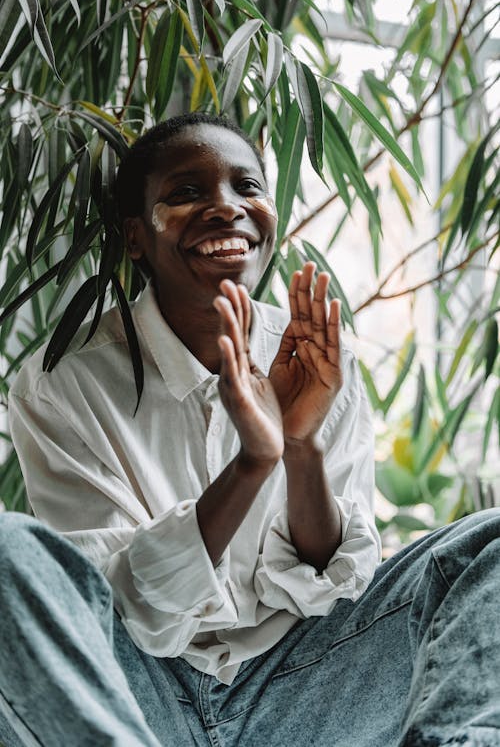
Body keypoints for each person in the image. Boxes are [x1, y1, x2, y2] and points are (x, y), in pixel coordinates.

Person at [0, 112, 499, 747]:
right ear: (134, 236)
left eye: (248, 187)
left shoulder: (319, 354)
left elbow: (334, 583)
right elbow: (125, 611)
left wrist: (298, 446)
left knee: (490, 542)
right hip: (140, 698)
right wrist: (251, 463)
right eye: (186, 193)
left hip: (307, 687)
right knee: (6, 549)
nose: (226, 208)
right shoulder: (62, 388)